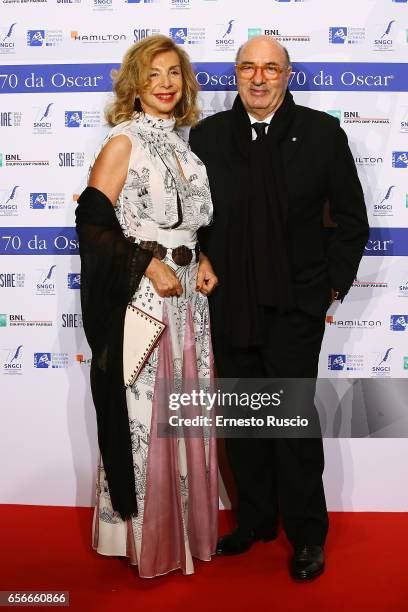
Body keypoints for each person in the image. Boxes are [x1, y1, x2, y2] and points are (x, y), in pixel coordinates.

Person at [189, 35, 369, 580]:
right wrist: (196, 258)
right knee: (245, 417)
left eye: (270, 68)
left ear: (287, 75)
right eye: (248, 67)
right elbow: (190, 216)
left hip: (295, 303)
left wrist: (330, 287)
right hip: (230, 301)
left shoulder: (321, 132)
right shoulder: (209, 135)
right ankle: (256, 522)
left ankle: (308, 535)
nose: (259, 78)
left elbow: (352, 219)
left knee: (290, 421)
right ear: (236, 75)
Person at [75, 34, 219, 578]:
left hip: (189, 300)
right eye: (153, 75)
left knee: (183, 413)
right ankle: (139, 539)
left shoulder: (186, 146)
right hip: (144, 300)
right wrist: (147, 261)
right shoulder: (123, 142)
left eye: (174, 74)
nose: (165, 84)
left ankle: (184, 532)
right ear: (134, 86)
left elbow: (188, 220)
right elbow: (91, 222)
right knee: (145, 416)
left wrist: (199, 257)